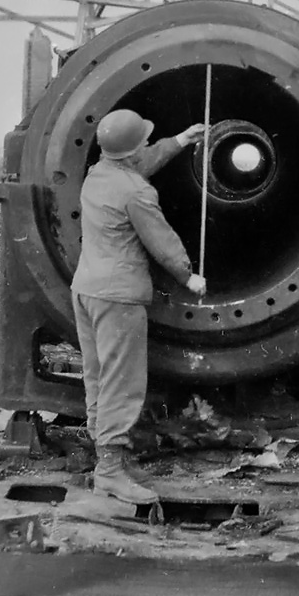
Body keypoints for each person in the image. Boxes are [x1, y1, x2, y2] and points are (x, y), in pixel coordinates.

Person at [71, 109, 207, 504]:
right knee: (122, 384)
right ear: (133, 150)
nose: (148, 145)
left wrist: (181, 139)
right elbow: (162, 243)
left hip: (87, 290)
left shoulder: (98, 175)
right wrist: (188, 276)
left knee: (98, 378)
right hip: (119, 298)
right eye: (145, 141)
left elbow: (135, 163)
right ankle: (110, 472)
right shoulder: (137, 193)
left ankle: (105, 457)